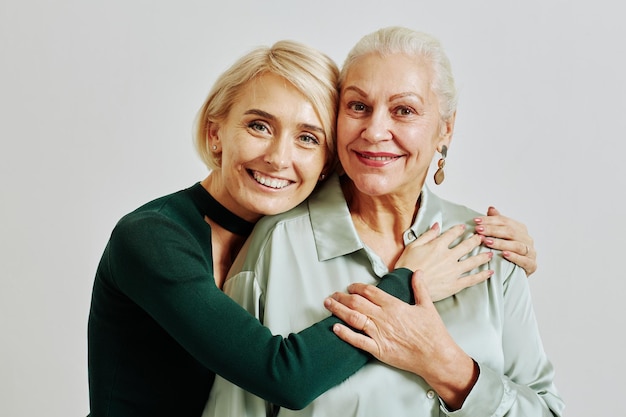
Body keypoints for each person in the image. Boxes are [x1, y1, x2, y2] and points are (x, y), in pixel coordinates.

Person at [88, 39, 526, 417]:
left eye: (308, 138)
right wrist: (409, 283)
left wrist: (502, 252)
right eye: (259, 126)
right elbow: (282, 375)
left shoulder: (288, 231)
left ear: (325, 161)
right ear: (216, 131)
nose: (279, 158)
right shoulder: (151, 237)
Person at [203, 27, 563, 417]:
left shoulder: (490, 248)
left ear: (446, 128)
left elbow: (547, 410)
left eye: (403, 110)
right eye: (358, 106)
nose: (374, 131)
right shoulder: (278, 243)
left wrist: (447, 366)